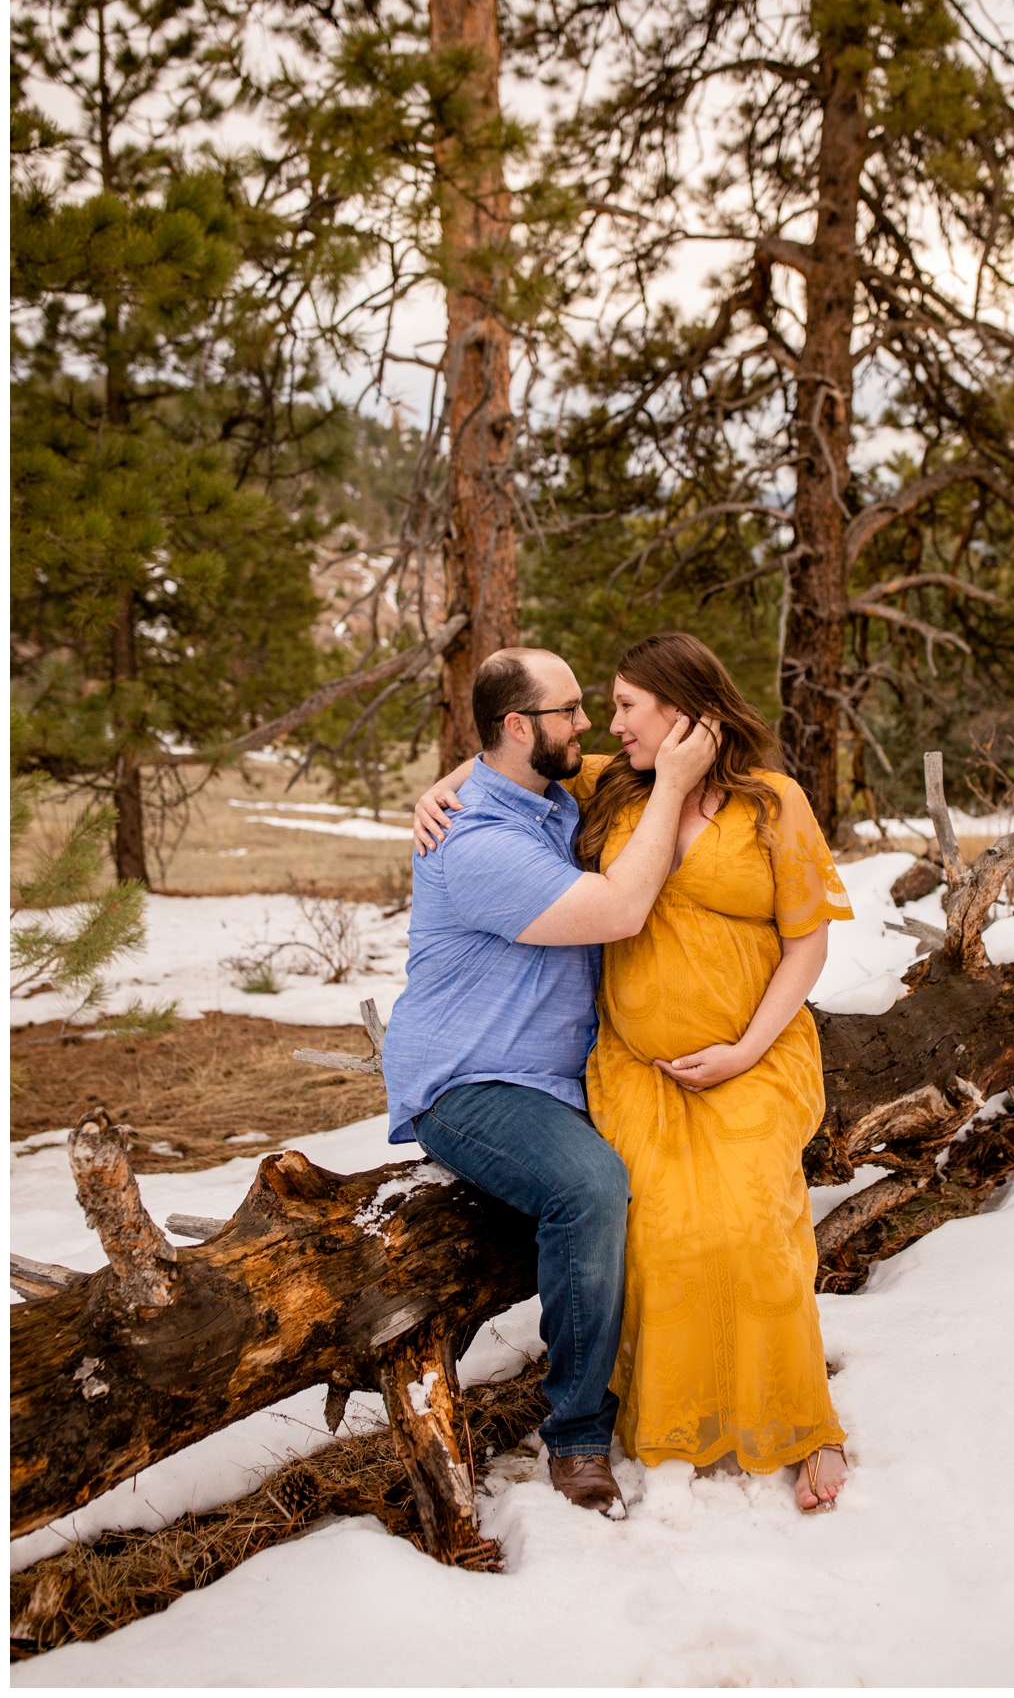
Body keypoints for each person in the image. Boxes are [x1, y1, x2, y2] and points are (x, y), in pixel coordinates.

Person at [415, 632, 855, 1514]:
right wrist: (442, 788)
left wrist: (746, 1049)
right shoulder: (611, 787)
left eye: (621, 707)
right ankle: (657, 1417)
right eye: (594, 709)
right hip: (634, 1065)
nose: (604, 725)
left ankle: (804, 1422)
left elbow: (809, 939)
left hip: (753, 1055)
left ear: (686, 715)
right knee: (660, 1237)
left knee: (754, 1228)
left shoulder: (775, 802)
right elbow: (510, 760)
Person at [380, 646, 717, 1519]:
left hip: (552, 1076)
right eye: (570, 712)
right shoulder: (478, 842)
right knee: (590, 1187)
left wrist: (449, 772)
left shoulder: (546, 792)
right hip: (469, 1080)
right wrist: (673, 790)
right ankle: (574, 1433)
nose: (590, 726)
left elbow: (501, 759)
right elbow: (618, 910)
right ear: (521, 729)